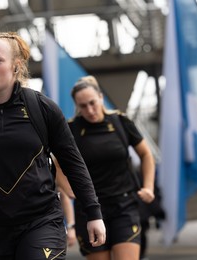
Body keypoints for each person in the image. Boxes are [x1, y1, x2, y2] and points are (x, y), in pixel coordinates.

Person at [0, 31, 106, 260]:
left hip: (41, 220)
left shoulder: (43, 109)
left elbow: (73, 162)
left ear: (16, 66)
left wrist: (93, 213)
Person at [56, 75, 156, 260]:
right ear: (77, 106)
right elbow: (56, 163)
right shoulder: (71, 129)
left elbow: (146, 154)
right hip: (90, 208)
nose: (90, 109)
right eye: (83, 106)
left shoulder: (120, 121)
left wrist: (148, 186)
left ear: (101, 97)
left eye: (92, 102)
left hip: (124, 205)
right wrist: (68, 188)